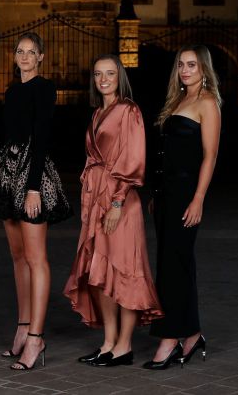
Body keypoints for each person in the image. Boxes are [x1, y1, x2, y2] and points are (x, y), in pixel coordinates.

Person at [63, 54, 163, 367]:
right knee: (98, 272)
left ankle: (124, 346)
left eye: (110, 73)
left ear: (119, 76)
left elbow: (134, 158)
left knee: (126, 270)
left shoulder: (129, 110)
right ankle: (108, 342)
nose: (104, 79)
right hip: (96, 200)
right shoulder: (97, 113)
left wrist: (117, 201)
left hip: (120, 201)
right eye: (98, 74)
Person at [0, 32, 71, 370]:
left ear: (41, 57)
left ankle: (36, 337)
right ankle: (21, 329)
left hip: (33, 175)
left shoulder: (44, 88)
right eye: (19, 51)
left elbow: (43, 136)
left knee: (36, 258)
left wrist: (33, 188)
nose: (24, 56)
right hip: (8, 172)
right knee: (18, 257)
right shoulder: (12, 89)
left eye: (30, 52)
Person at [143, 45, 221, 370]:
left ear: (204, 69)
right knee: (176, 263)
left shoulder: (207, 103)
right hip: (165, 194)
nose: (185, 70)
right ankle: (192, 334)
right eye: (181, 65)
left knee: (174, 267)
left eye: (192, 65)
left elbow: (210, 155)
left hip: (187, 195)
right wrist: (156, 194)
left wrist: (199, 198)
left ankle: (170, 337)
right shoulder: (177, 100)